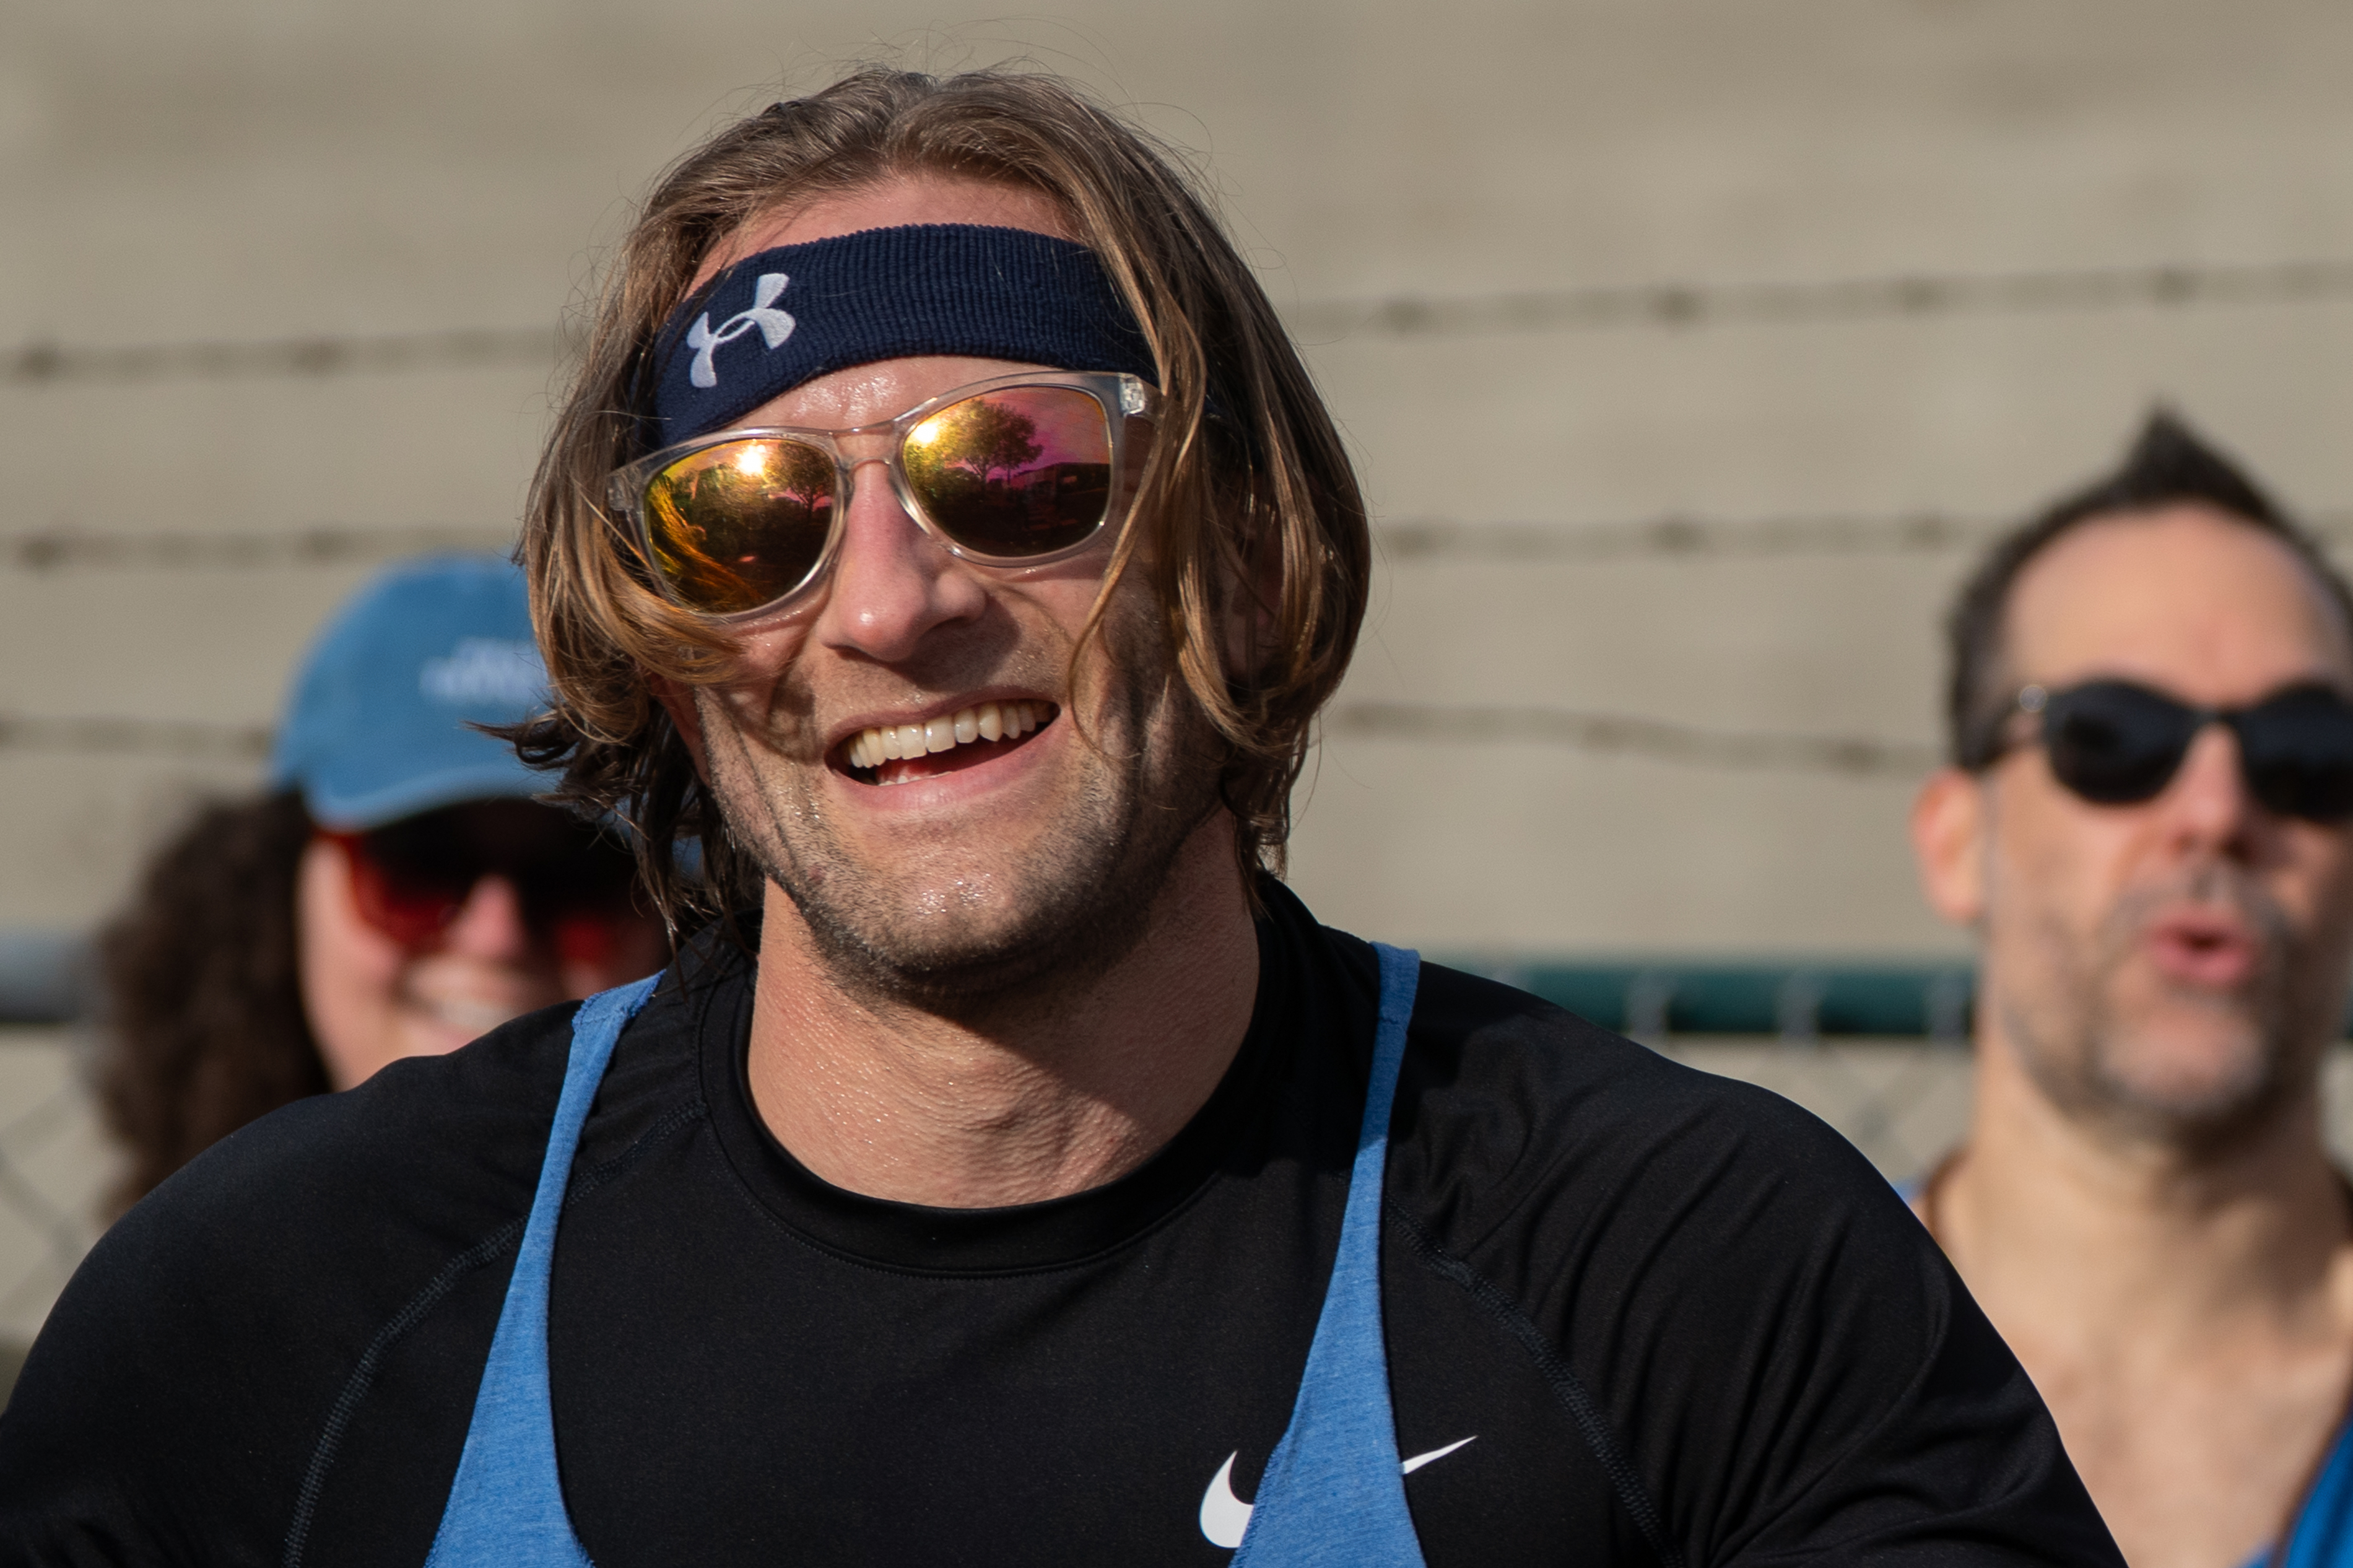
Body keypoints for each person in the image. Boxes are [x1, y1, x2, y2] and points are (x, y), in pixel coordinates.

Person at [0, 69, 2118, 1565]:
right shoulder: (275, 1326)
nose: (895, 606)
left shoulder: (1691, 1282)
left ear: (1253, 556)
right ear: (659, 653)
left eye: (1012, 471)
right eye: (751, 523)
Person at [1908, 412, 2353, 1568]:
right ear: (1956, 840)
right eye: (2113, 736)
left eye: (2307, 751)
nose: (2216, 810)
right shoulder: (1739, 1349)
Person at [92, 555, 666, 1207]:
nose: (494, 937)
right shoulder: (177, 1275)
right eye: (418, 868)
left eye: (577, 878)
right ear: (279, 892)